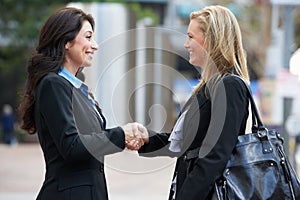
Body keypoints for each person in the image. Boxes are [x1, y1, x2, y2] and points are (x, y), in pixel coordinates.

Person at [18, 7, 146, 200]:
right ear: (66, 41)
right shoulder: (53, 84)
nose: (95, 45)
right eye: (88, 37)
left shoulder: (77, 88)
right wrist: (120, 134)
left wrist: (125, 137)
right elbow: (72, 146)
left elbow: (91, 138)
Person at [137, 5, 250, 200]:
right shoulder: (208, 86)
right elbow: (185, 141)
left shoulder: (229, 85)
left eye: (191, 37)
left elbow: (217, 154)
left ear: (211, 40)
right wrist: (147, 140)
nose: (186, 44)